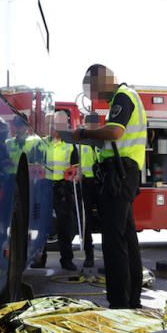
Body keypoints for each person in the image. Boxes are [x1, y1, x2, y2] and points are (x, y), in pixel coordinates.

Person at [73, 64, 147, 309]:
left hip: (120, 173)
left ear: (102, 80)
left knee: (113, 240)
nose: (93, 97)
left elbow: (115, 132)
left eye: (92, 90)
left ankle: (118, 302)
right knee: (126, 237)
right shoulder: (126, 97)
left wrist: (83, 133)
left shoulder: (122, 97)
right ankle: (131, 299)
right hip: (124, 172)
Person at [32, 111, 78, 271]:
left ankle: (67, 260)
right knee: (41, 224)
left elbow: (76, 167)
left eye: (57, 125)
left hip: (62, 188)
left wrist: (74, 173)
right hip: (44, 187)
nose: (53, 128)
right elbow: (34, 163)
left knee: (65, 226)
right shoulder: (41, 143)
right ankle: (39, 258)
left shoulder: (70, 145)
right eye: (50, 124)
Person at [77, 113, 102, 268]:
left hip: (100, 183)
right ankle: (89, 255)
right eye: (88, 125)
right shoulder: (82, 142)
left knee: (106, 219)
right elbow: (77, 161)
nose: (90, 127)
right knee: (86, 220)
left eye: (93, 125)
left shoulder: (102, 140)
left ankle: (109, 253)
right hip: (86, 183)